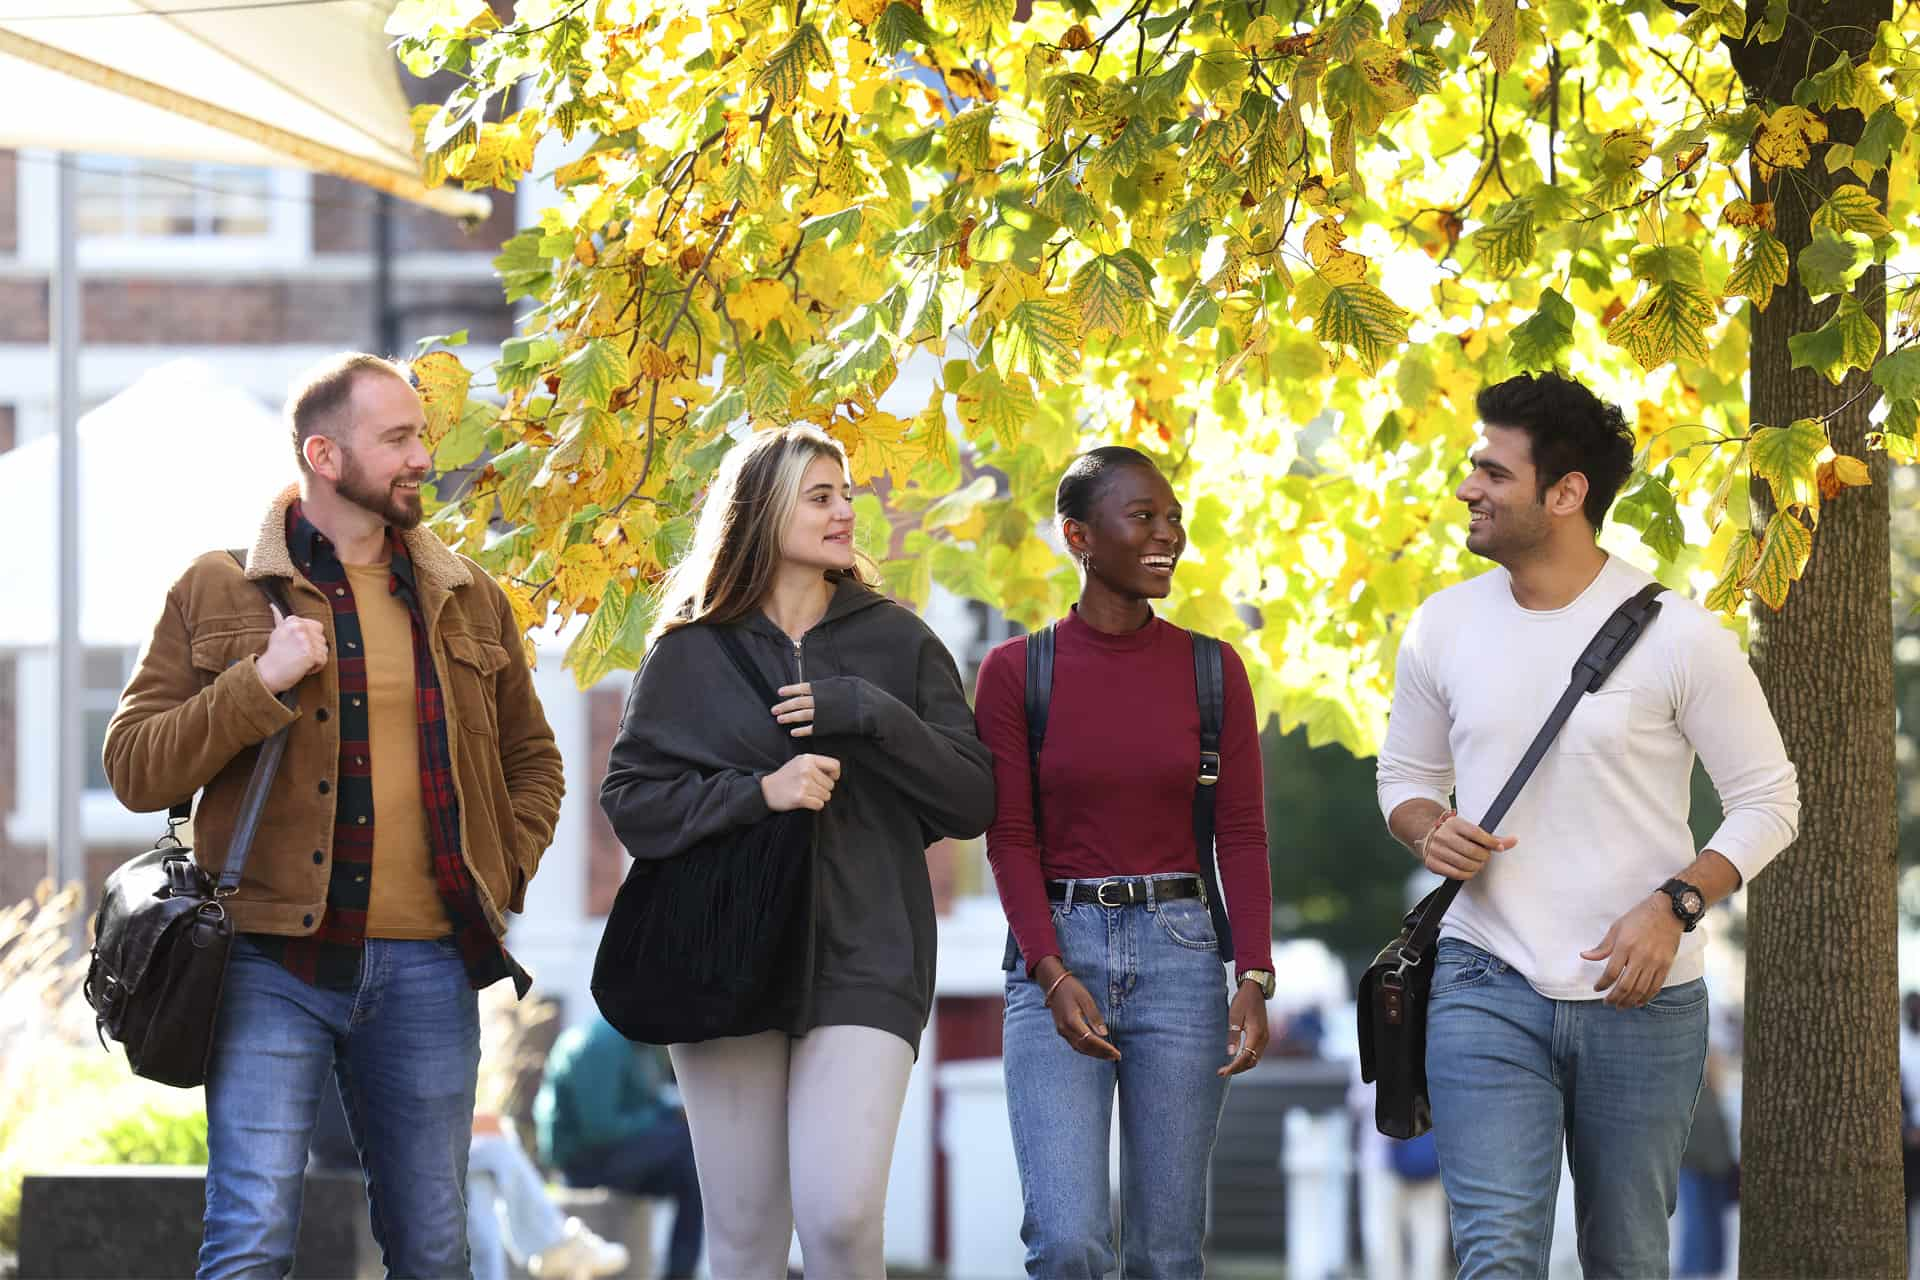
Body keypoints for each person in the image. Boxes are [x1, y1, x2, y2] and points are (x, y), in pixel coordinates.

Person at [104, 352, 566, 1279]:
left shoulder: (468, 593)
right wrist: (257, 681)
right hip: (271, 960)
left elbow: (534, 759)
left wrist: (502, 866)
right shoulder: (217, 587)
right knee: (249, 1237)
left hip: (431, 965)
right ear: (323, 453)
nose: (422, 457)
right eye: (397, 438)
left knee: (435, 1249)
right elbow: (133, 766)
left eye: (421, 435)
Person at [1374, 371, 1800, 1278]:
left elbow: (1771, 802)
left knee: (1629, 1259)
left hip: (1641, 998)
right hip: (1483, 979)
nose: (1467, 488)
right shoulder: (1441, 626)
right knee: (1496, 1256)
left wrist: (1677, 903)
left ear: (1566, 494)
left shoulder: (1682, 637)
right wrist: (1425, 829)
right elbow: (1406, 778)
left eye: (1493, 472)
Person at [598, 424, 996, 1278]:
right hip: (726, 954)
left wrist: (868, 710)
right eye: (822, 496)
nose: (846, 511)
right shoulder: (688, 652)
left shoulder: (899, 641)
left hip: (869, 951)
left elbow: (971, 799)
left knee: (843, 1218)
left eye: (846, 493)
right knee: (743, 1236)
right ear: (764, 511)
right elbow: (631, 805)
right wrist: (758, 792)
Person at [974, 446, 1276, 1278]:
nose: (1168, 535)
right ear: (1078, 536)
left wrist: (1254, 972)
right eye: (1143, 517)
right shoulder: (1014, 673)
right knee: (1067, 1240)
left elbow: (1242, 833)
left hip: (1183, 959)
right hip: (1056, 956)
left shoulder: (1215, 671)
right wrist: (1048, 969)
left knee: (1167, 1251)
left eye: (1173, 518)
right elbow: (1009, 837)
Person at [535, 1016, 702, 1279]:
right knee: (688, 1146)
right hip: (583, 1163)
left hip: (614, 1153)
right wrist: (662, 1118)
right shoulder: (601, 1043)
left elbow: (645, 1104)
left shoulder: (638, 1043)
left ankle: (680, 1272)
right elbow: (600, 1128)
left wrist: (670, 1112)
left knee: (695, 1171)